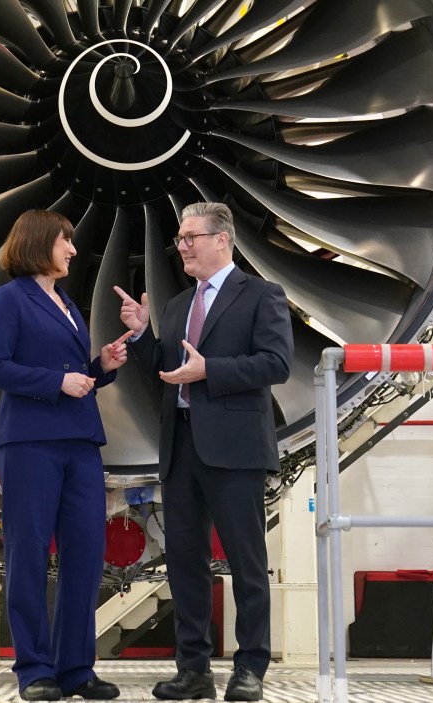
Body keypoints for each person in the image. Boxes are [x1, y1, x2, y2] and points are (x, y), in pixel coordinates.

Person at [114, 201, 293, 703]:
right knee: (185, 564)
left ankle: (250, 668)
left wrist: (210, 371)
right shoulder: (176, 306)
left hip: (235, 449)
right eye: (179, 237)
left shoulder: (261, 295)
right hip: (182, 447)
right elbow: (167, 370)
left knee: (247, 562)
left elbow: (276, 364)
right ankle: (193, 670)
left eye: (190, 236)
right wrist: (142, 333)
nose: (181, 245)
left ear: (222, 239)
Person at [0, 208, 131, 702]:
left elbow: (73, 375)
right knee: (27, 555)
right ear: (39, 243)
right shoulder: (8, 300)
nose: (71, 249)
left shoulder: (66, 302)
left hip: (80, 443)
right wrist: (56, 382)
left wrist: (100, 367)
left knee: (86, 557)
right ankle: (34, 670)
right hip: (30, 444)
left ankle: (76, 669)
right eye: (64, 241)